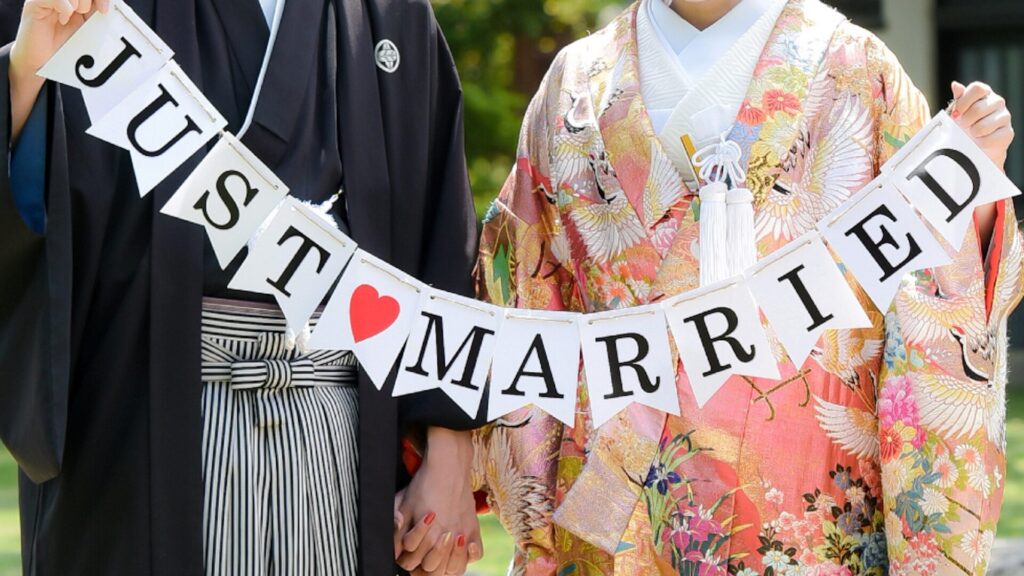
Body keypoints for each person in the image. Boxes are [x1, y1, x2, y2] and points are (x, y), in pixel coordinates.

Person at [473, 0, 1022, 574]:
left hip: (811, 526)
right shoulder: (574, 82)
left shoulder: (856, 70)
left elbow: (927, 279)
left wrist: (966, 197)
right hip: (611, 520)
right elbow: (524, 299)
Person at [1, 0, 482, 574]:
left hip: (338, 443)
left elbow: (441, 237)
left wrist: (449, 455)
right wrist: (24, 74)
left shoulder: (389, 14)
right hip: (136, 435)